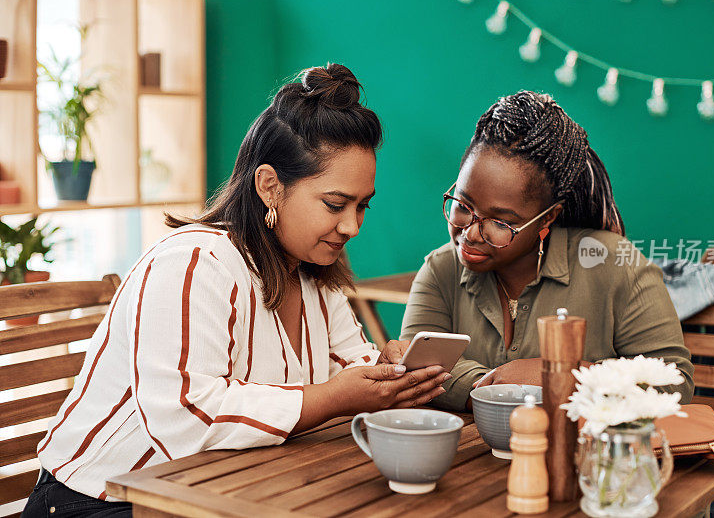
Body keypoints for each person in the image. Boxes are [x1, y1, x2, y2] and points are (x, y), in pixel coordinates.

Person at [24, 64, 448, 516]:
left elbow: (351, 366)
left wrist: (387, 374)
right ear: (269, 185)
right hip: (102, 501)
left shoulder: (313, 273)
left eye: (362, 206)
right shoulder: (191, 263)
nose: (352, 225)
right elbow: (187, 420)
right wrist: (335, 397)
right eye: (335, 204)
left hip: (225, 490)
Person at [400, 91, 693, 411]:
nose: (469, 233)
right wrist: (499, 382)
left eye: (500, 222)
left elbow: (673, 381)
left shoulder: (615, 266)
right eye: (463, 204)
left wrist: (567, 375)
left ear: (548, 217)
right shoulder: (442, 270)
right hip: (471, 459)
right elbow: (412, 370)